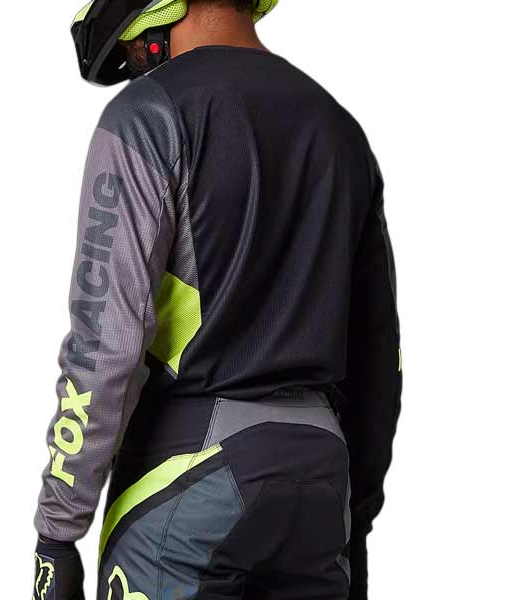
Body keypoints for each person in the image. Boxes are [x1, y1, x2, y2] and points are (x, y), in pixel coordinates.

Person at [32, 1, 402, 599]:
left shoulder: (148, 114)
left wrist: (57, 530)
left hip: (186, 481)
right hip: (320, 479)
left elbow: (104, 344)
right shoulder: (340, 129)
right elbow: (379, 356)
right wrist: (354, 520)